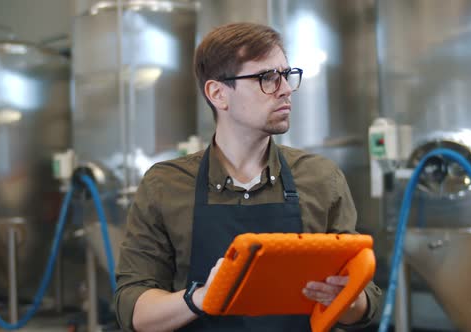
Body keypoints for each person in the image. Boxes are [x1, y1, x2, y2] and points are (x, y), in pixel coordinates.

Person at [114, 22, 381, 331]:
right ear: (218, 94)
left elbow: (366, 302)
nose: (285, 89)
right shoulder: (165, 185)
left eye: (286, 75)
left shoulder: (321, 178)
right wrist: (201, 298)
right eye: (266, 78)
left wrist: (343, 299)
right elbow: (132, 307)